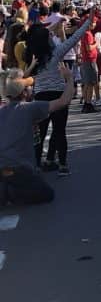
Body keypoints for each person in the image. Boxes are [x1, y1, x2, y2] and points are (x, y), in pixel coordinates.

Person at [24, 16, 93, 176]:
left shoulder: (32, 55)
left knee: (40, 133)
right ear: (47, 39)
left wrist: (48, 28)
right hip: (58, 94)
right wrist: (88, 21)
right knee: (60, 130)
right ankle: (62, 164)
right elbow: (75, 37)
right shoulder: (56, 53)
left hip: (40, 96)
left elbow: (38, 35)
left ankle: (37, 164)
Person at [0, 66, 74, 205]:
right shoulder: (30, 108)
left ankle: (6, 189)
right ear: (24, 92)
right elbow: (64, 100)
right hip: (20, 168)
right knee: (47, 194)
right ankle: (11, 194)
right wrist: (69, 78)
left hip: (2, 166)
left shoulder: (2, 111)